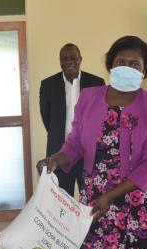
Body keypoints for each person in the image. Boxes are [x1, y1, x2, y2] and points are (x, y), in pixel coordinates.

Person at [37, 36, 147, 249]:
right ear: (110, 64)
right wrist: (55, 160)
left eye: (134, 63)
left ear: (145, 71)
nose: (126, 67)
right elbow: (75, 143)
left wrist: (111, 195)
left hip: (136, 204)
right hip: (97, 205)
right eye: (121, 62)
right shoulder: (89, 98)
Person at [40, 43, 105, 196]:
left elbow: (102, 116)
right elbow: (46, 117)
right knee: (61, 199)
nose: (69, 62)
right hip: (59, 153)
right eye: (64, 59)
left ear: (80, 59)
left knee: (91, 198)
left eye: (73, 58)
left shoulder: (96, 83)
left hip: (89, 152)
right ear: (60, 61)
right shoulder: (48, 84)